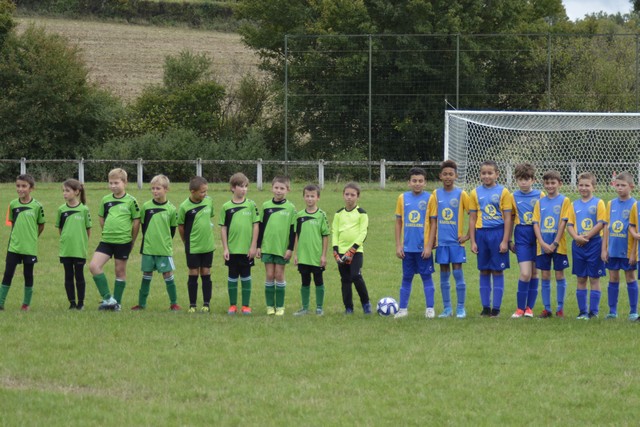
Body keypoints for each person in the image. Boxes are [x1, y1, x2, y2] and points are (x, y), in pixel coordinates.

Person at [89, 168, 140, 311]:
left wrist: (132, 240)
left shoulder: (131, 201)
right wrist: (107, 230)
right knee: (94, 266)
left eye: (116, 183)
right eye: (110, 183)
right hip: (106, 240)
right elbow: (101, 217)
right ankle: (108, 299)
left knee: (120, 272)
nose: (113, 186)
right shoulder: (105, 200)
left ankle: (117, 304)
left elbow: (136, 221)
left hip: (123, 242)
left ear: (125, 182)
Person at [469, 160, 513, 317]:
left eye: (490, 173)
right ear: (480, 174)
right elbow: (472, 219)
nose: (486, 176)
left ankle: (496, 309)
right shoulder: (474, 193)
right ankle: (485, 307)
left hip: (497, 233)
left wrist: (505, 240)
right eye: (484, 173)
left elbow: (508, 218)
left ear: (497, 174)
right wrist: (473, 241)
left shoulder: (504, 192)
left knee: (497, 270)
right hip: (481, 234)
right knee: (484, 270)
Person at [426, 160, 470, 319]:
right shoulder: (435, 194)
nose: (448, 177)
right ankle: (447, 309)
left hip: (456, 243)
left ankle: (460, 308)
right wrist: (432, 240)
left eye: (451, 174)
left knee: (458, 274)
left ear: (456, 176)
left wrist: (467, 236)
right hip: (441, 243)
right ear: (440, 176)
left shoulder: (462, 194)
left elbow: (473, 215)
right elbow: (431, 219)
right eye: (445, 174)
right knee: (444, 275)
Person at [131, 174, 180, 311]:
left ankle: (174, 303)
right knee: (146, 275)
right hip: (148, 248)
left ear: (166, 189)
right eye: (152, 188)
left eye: (158, 188)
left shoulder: (171, 209)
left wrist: (164, 242)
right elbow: (143, 226)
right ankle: (141, 304)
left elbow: (172, 230)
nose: (154, 191)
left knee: (168, 275)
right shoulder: (146, 207)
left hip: (163, 249)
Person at [393, 167, 436, 319]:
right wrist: (398, 245)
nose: (417, 183)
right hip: (407, 248)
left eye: (420, 181)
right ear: (409, 182)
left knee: (426, 277)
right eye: (414, 181)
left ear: (425, 183)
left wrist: (429, 246)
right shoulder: (402, 198)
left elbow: (433, 223)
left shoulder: (430, 198)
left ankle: (430, 309)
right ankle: (403, 309)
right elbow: (398, 223)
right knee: (406, 277)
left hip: (423, 248)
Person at [0, 174, 45, 311]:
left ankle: (26, 304)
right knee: (8, 274)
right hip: (14, 247)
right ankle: (0, 303)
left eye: (24, 186)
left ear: (31, 188)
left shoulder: (37, 206)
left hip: (29, 248)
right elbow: (13, 223)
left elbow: (41, 225)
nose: (20, 189)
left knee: (28, 274)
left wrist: (32, 237)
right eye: (18, 186)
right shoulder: (13, 204)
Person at [566, 172, 606, 319]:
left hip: (594, 244)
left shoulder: (599, 203)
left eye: (587, 185)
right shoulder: (573, 205)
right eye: (581, 185)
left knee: (594, 278)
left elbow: (601, 223)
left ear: (593, 187)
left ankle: (593, 312)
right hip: (578, 245)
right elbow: (569, 224)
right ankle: (582, 312)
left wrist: (587, 236)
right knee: (581, 278)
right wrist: (576, 237)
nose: (583, 188)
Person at [532, 170, 571, 318]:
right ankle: (547, 309)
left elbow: (563, 223)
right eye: (547, 183)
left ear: (560, 184)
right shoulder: (540, 202)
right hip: (542, 246)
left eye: (553, 183)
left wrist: (555, 243)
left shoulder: (564, 200)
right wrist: (542, 242)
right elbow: (535, 223)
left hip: (558, 245)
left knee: (559, 274)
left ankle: (560, 308)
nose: (550, 186)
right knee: (545, 275)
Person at [219, 172, 260, 315]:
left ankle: (246, 306)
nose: (244, 189)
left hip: (246, 250)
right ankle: (232, 305)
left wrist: (253, 246)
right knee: (232, 277)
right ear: (232, 188)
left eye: (246, 186)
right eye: (241, 186)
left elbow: (256, 225)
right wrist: (225, 248)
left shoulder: (251, 205)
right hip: (232, 250)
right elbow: (223, 228)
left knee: (246, 276)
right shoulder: (226, 207)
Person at [257, 176, 297, 316]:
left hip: (282, 248)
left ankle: (280, 306)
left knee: (279, 275)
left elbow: (293, 231)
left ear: (288, 190)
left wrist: (290, 248)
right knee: (269, 275)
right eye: (276, 187)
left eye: (282, 188)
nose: (279, 190)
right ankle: (270, 306)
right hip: (267, 247)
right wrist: (258, 246)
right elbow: (261, 227)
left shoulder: (291, 208)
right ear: (271, 188)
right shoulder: (266, 206)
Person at [601, 171, 638, 320]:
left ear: (631, 187)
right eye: (617, 185)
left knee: (630, 277)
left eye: (623, 185)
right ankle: (612, 311)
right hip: (613, 249)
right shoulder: (611, 204)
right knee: (613, 277)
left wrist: (634, 252)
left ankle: (633, 311)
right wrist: (604, 249)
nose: (620, 188)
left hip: (627, 250)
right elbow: (606, 227)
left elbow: (636, 230)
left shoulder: (635, 205)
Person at [510, 163, 543, 318]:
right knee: (525, 273)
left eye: (527, 179)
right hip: (521, 234)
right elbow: (510, 219)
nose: (523, 182)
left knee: (535, 273)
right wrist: (508, 240)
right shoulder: (513, 196)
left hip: (537, 235)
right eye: (520, 179)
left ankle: (529, 308)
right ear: (516, 180)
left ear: (533, 180)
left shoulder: (540, 195)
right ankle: (519, 308)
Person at [332, 182, 371, 314]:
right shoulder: (338, 214)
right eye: (347, 194)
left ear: (358, 197)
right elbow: (335, 232)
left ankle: (366, 303)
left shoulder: (362, 213)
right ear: (343, 195)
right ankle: (348, 308)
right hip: (341, 252)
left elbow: (363, 233)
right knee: (345, 279)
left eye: (352, 195)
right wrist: (335, 250)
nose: (349, 197)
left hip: (356, 252)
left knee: (356, 276)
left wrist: (352, 249)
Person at [178, 176, 215, 313]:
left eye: (206, 191)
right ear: (192, 192)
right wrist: (186, 241)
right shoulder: (184, 206)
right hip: (193, 246)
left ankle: (206, 304)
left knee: (206, 272)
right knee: (193, 272)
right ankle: (192, 305)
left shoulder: (209, 201)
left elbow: (209, 218)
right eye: (202, 192)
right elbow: (181, 226)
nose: (205, 194)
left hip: (208, 245)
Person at [292, 184, 330, 316]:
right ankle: (305, 308)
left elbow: (325, 236)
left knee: (318, 281)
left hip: (316, 256)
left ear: (318, 198)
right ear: (303, 197)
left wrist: (323, 255)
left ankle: (319, 308)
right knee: (305, 281)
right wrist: (296, 254)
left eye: (312, 196)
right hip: (303, 256)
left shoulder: (321, 215)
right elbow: (296, 235)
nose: (309, 199)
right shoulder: (299, 215)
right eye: (307, 196)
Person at [56, 178, 92, 310]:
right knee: (68, 276)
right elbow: (60, 229)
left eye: (67, 190)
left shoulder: (84, 209)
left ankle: (81, 303)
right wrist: (65, 239)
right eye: (63, 191)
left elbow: (88, 230)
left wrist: (82, 242)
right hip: (66, 249)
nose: (64, 193)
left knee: (79, 275)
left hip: (79, 249)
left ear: (76, 192)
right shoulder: (61, 209)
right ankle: (72, 303)